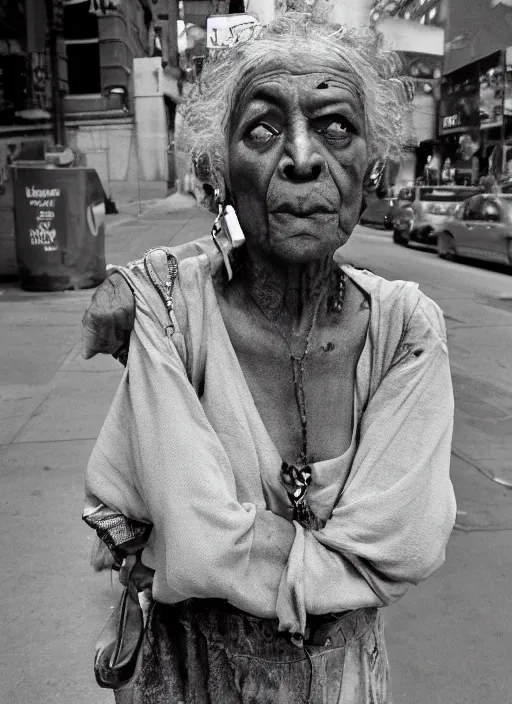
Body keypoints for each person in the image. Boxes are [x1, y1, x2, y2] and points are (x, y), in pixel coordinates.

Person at [81, 12, 456, 704]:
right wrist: (332, 570)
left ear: (371, 165)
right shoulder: (176, 313)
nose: (303, 157)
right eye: (262, 128)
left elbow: (404, 545)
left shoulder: (406, 331)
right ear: (218, 170)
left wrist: (229, 559)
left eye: (335, 126)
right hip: (190, 679)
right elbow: (193, 544)